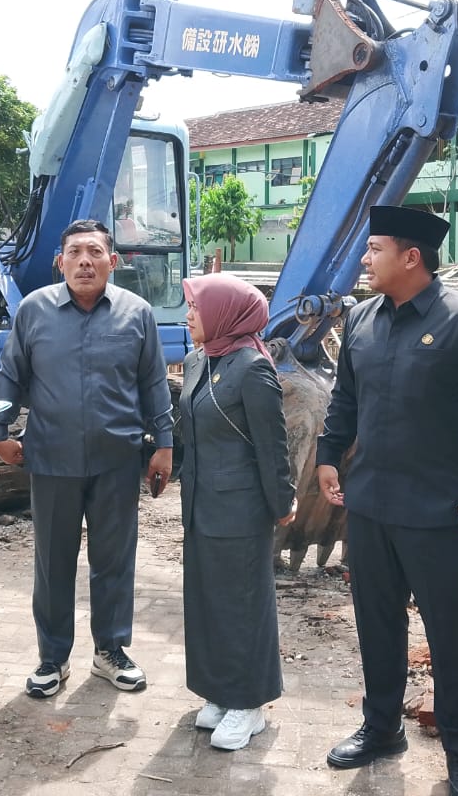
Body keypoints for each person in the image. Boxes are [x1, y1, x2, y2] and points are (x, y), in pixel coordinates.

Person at [316, 205, 458, 796]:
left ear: (411, 257)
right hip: (372, 504)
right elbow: (345, 401)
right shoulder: (360, 319)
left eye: (374, 248)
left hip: (439, 510)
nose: (364, 259)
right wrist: (329, 455)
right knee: (377, 623)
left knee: (447, 631)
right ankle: (382, 727)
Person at [0, 219, 173, 699]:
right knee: (53, 562)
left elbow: (153, 383)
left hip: (117, 458)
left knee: (114, 560)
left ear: (114, 261)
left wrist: (166, 444)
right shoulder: (34, 311)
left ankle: (110, 651)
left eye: (95, 252)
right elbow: (10, 374)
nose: (85, 261)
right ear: (60, 261)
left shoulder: (137, 313)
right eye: (75, 252)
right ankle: (53, 658)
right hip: (51, 458)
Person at [178, 273, 297, 751]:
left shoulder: (252, 369)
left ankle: (249, 704)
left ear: (224, 311)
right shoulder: (195, 362)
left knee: (243, 604)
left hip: (242, 508)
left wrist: (281, 500)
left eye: (195, 308)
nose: (188, 316)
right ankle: (221, 693)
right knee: (207, 602)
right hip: (200, 505)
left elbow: (273, 445)